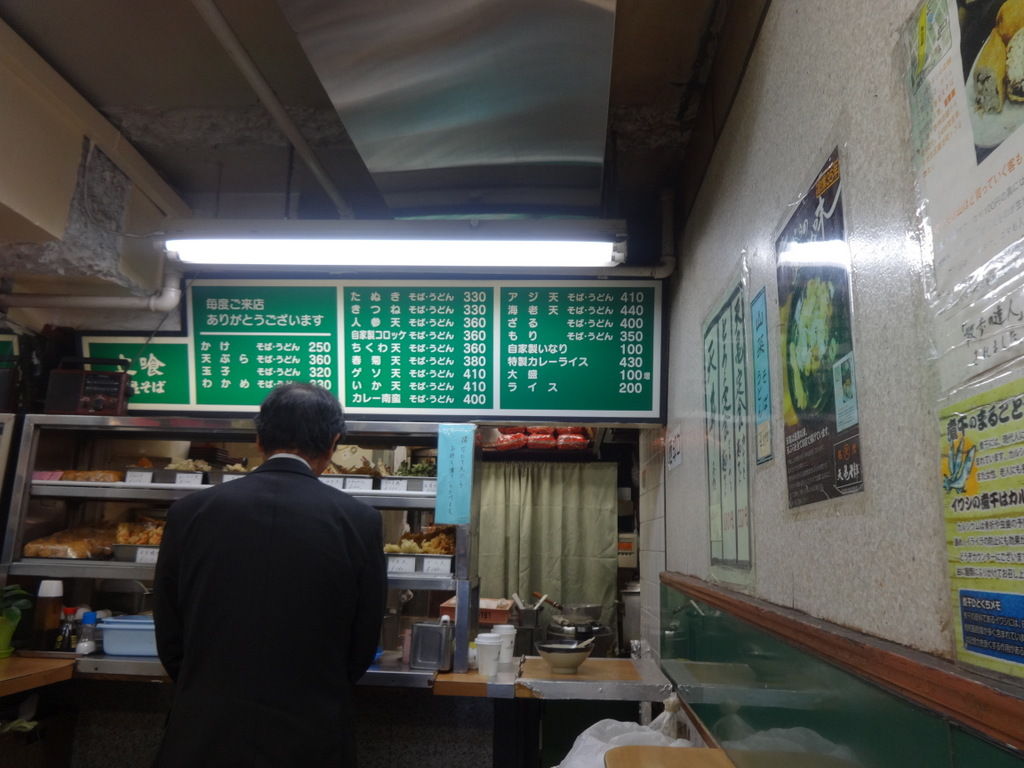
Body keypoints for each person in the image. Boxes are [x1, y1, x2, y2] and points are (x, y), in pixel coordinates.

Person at [154, 382, 386, 767]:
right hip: (312, 734)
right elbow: (362, 642)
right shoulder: (359, 521)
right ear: (333, 443)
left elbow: (169, 630)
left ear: (259, 440)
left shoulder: (189, 513)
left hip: (204, 733)